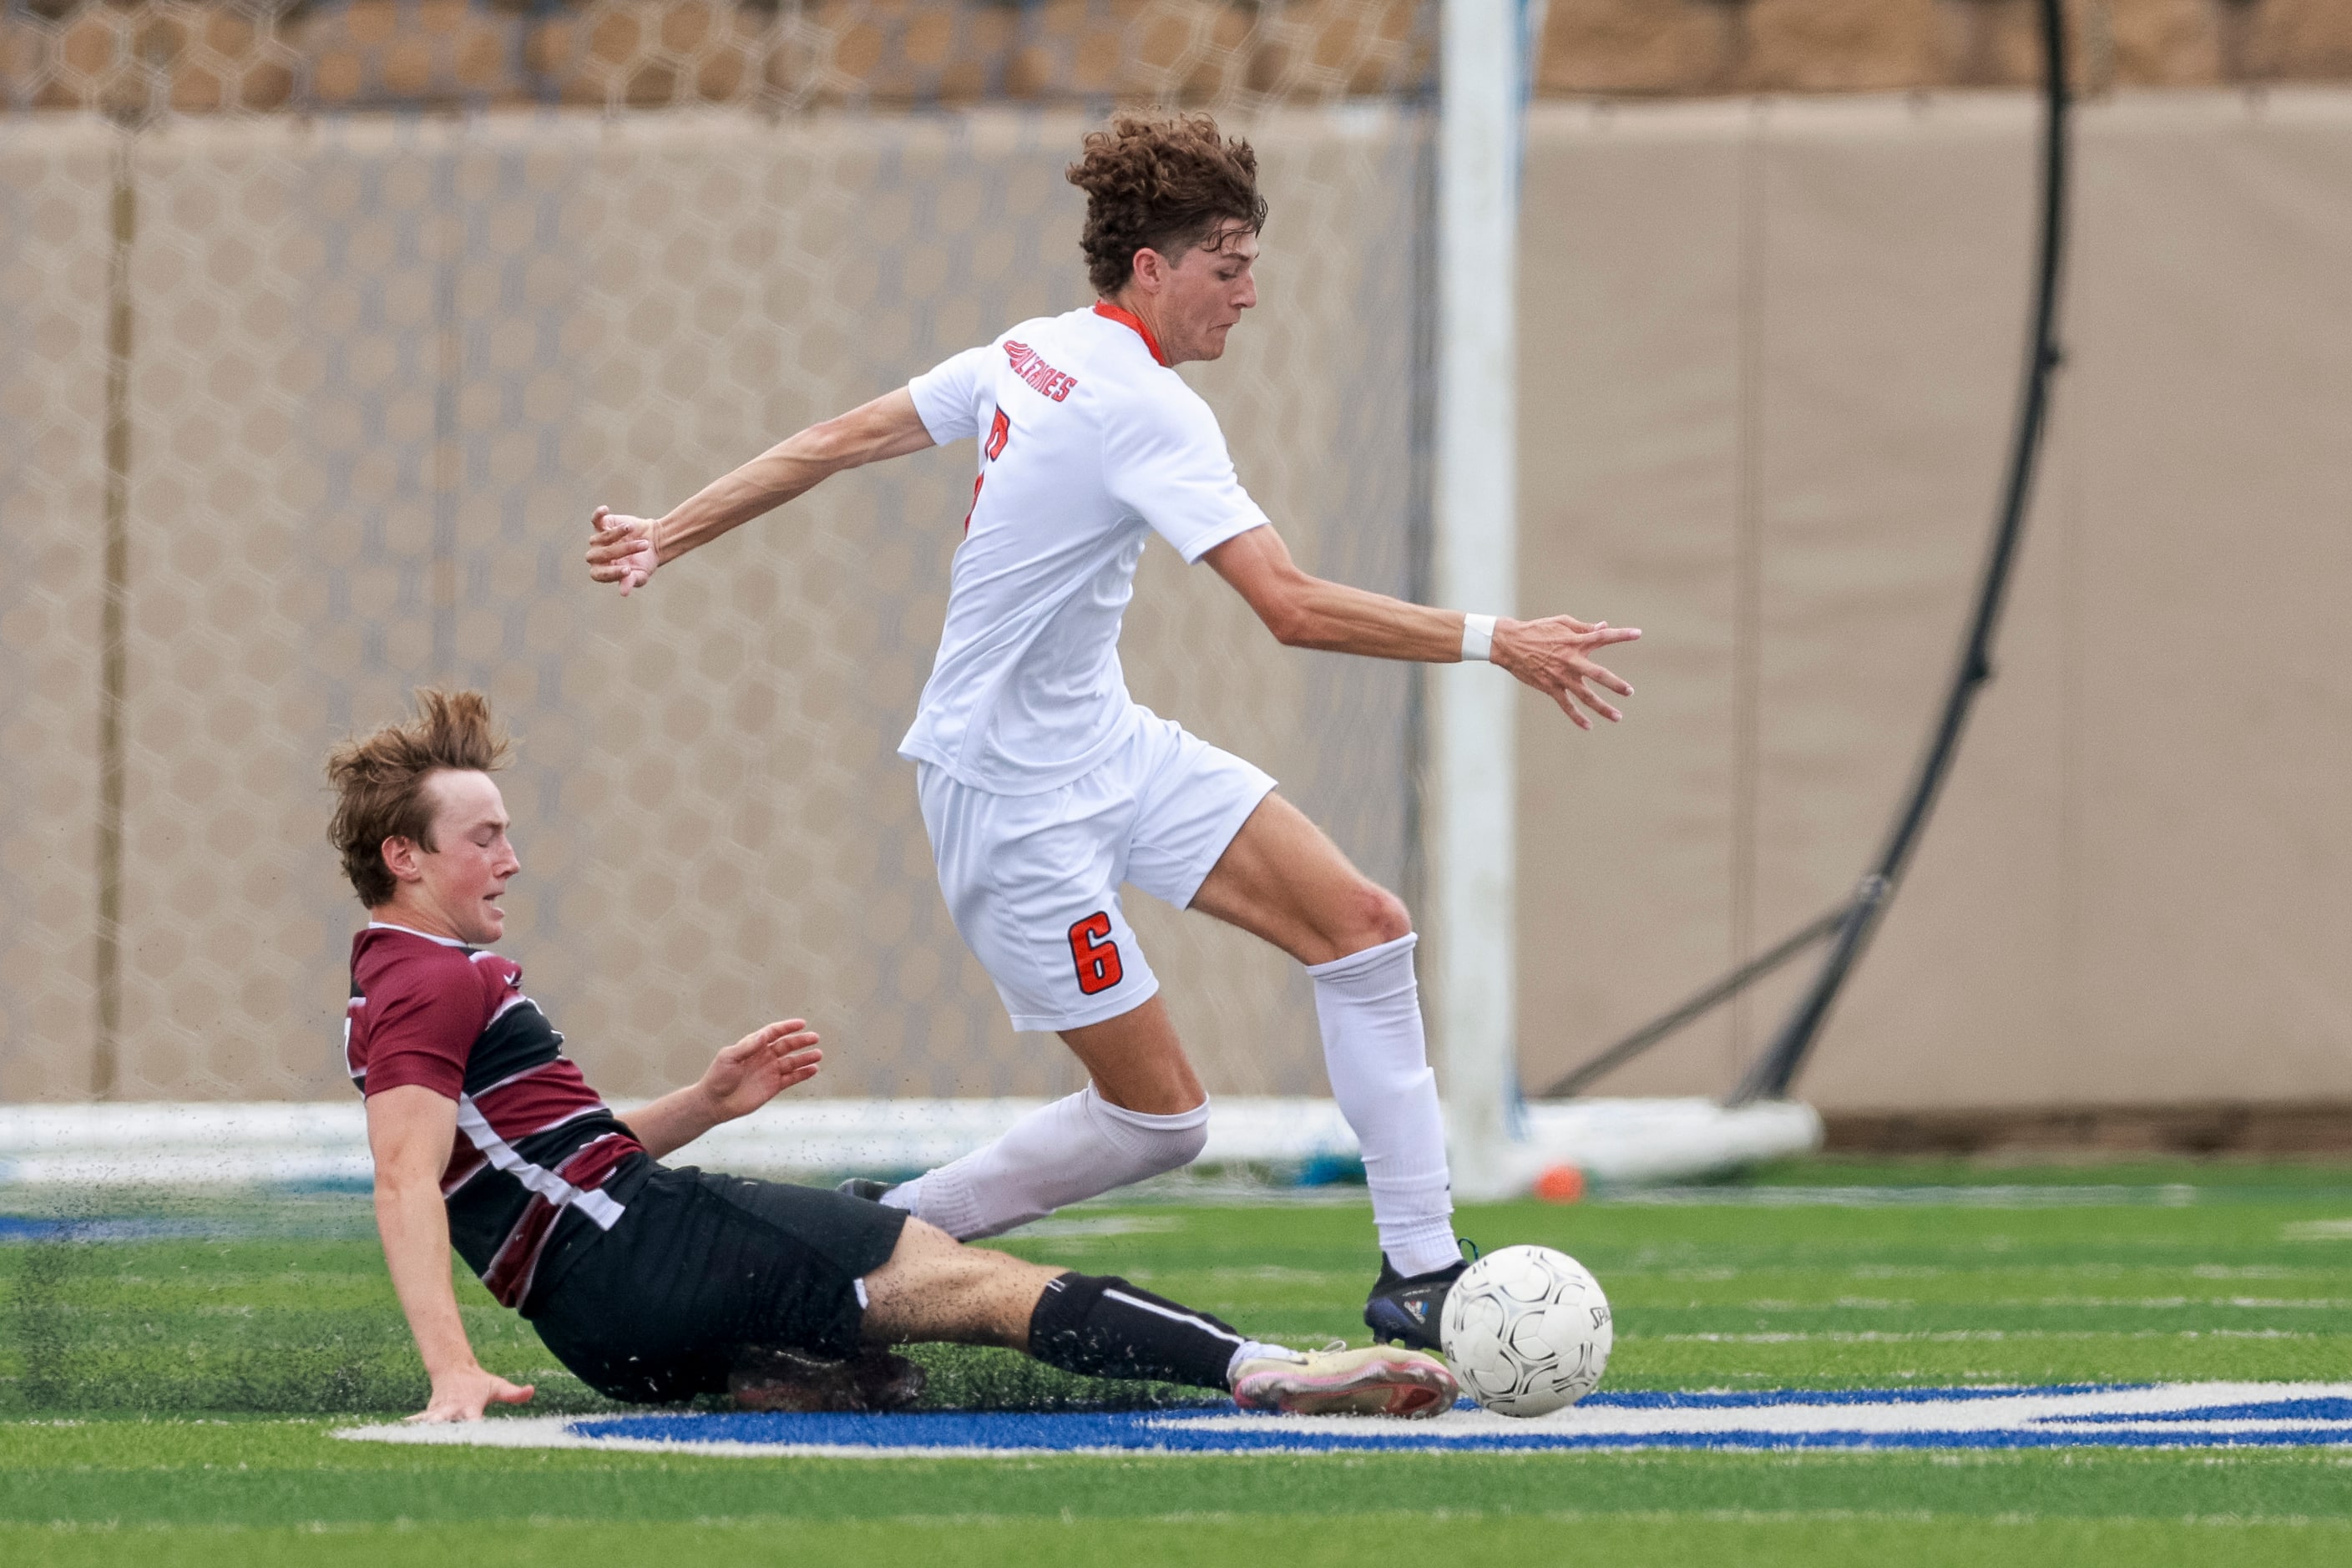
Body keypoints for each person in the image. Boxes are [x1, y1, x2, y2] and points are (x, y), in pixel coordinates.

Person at [584, 114, 1639, 1353]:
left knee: (1362, 929)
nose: (1250, 293)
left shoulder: (1031, 351)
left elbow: (835, 441)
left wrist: (671, 529)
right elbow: (1288, 609)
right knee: (1159, 1124)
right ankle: (876, 1230)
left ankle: (1420, 1270)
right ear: (1152, 267)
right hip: (1009, 804)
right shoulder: (1146, 408)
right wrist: (1494, 638)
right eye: (1228, 263)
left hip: (1110, 748)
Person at [328, 689, 1457, 1423]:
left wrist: (710, 1100)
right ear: (404, 856)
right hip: (651, 1246)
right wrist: (450, 1367)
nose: (511, 859)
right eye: (484, 837)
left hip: (601, 1325)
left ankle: (802, 1363)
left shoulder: (392, 978)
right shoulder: (440, 977)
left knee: (872, 1332)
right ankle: (1263, 1366)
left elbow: (541, 1164)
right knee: (971, 1284)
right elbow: (404, 1176)